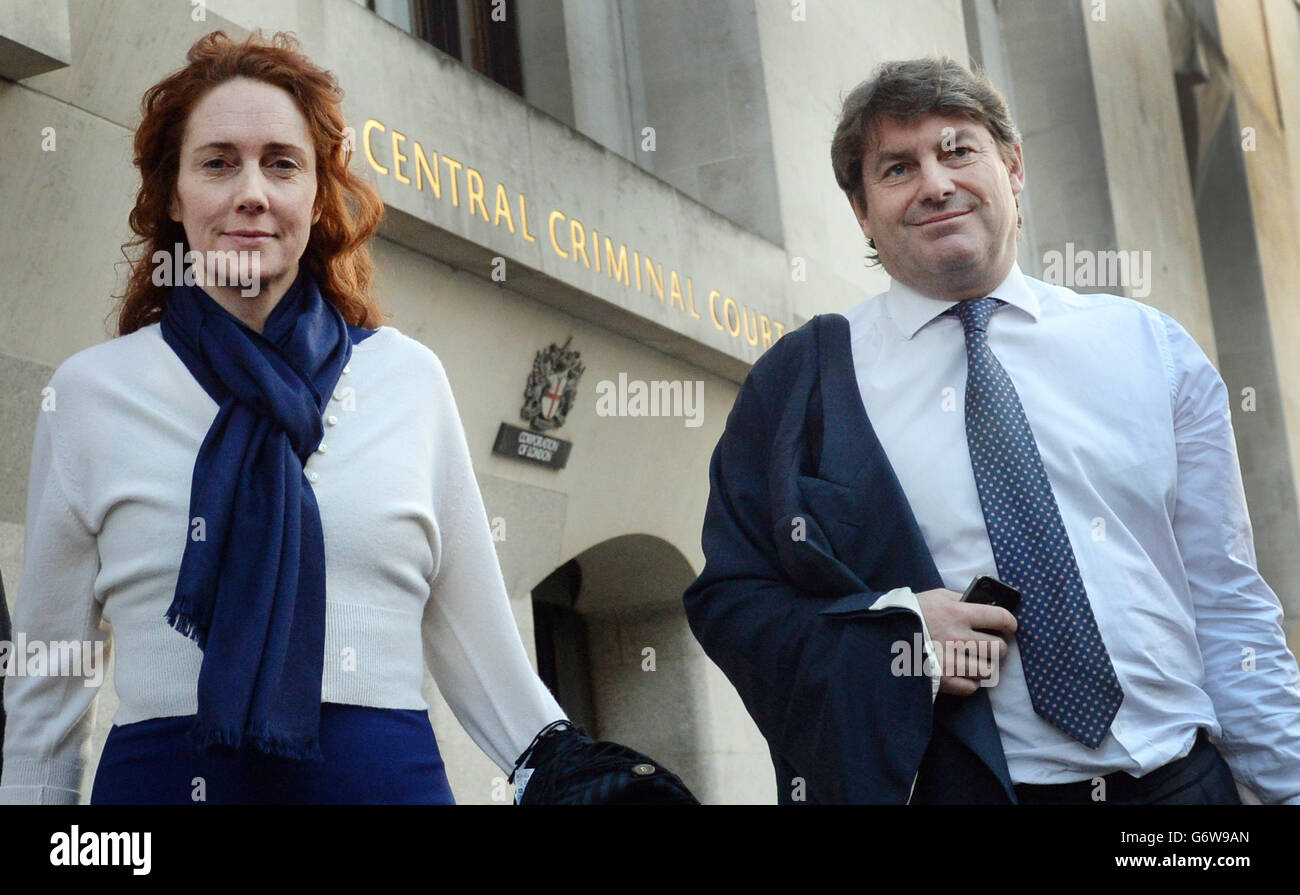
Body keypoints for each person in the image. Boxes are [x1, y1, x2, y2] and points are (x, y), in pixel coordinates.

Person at [683, 56, 1300, 805]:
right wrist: (895, 639)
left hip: (1180, 796)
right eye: (897, 167)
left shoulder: (1151, 348)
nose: (935, 183)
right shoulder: (803, 382)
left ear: (1012, 166)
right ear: (860, 209)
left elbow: (1229, 598)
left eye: (957, 150)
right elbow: (733, 600)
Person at [0, 29, 566, 805]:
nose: (252, 193)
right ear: (172, 195)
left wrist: (569, 767)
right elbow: (46, 688)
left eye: (282, 163)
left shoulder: (406, 379)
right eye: (218, 162)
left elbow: (477, 642)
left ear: (317, 193)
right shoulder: (90, 395)